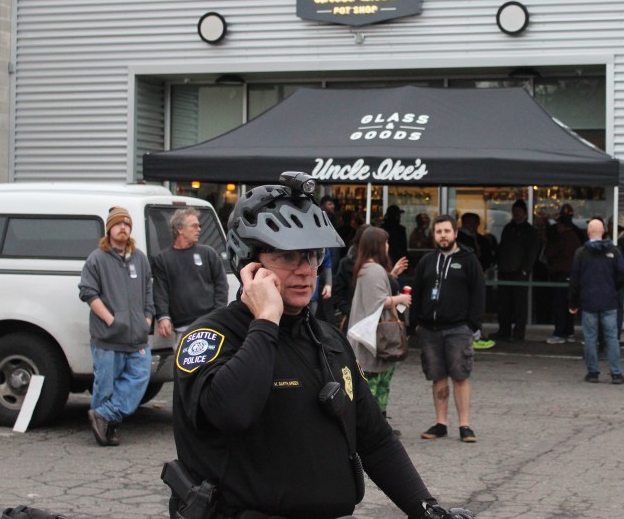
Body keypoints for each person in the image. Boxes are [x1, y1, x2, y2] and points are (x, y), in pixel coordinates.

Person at [168, 173, 474, 519]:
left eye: (311, 256)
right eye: (288, 257)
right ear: (250, 263)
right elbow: (231, 411)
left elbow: (374, 438)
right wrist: (267, 318)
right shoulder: (211, 337)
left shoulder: (328, 340)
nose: (304, 271)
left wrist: (426, 509)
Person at [78, 206, 154, 446]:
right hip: (108, 337)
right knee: (105, 386)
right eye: (118, 224)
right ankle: (106, 429)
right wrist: (112, 320)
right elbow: (88, 293)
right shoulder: (97, 259)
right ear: (109, 228)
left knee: (140, 377)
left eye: (127, 224)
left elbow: (148, 290)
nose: (123, 228)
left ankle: (105, 415)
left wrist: (148, 318)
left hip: (137, 338)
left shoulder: (139, 258)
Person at [409, 214, 485, 444]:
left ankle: (465, 425)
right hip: (429, 330)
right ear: (434, 235)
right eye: (438, 232)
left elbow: (479, 293)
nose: (443, 236)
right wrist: (415, 325)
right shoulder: (427, 261)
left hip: (458, 329)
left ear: (455, 233)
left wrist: (472, 324)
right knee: (437, 376)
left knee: (460, 376)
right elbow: (417, 290)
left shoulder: (469, 259)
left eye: (446, 231)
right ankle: (441, 423)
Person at [347, 227, 412, 419]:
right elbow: (378, 302)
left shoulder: (367, 268)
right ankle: (375, 424)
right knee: (375, 385)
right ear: (377, 245)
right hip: (374, 339)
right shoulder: (373, 270)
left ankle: (378, 422)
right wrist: (400, 299)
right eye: (385, 242)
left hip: (371, 337)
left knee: (376, 383)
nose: (388, 246)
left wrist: (392, 276)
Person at [151, 207, 228, 350]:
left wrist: (218, 315)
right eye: (194, 225)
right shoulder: (164, 259)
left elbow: (221, 285)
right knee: (187, 370)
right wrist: (163, 317)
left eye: (199, 225)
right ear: (180, 229)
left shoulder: (208, 253)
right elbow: (160, 291)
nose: (199, 229)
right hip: (182, 329)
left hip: (210, 325)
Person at [568, 218, 624, 384]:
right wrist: (614, 290)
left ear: (588, 233)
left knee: (590, 338)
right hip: (609, 301)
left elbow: (574, 280)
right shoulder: (614, 251)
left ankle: (593, 372)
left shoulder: (581, 253)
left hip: (588, 302)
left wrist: (573, 303)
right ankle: (616, 373)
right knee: (611, 338)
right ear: (603, 232)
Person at [493, 199, 540, 342]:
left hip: (519, 272)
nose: (516, 215)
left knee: (519, 303)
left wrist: (525, 269)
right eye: (514, 212)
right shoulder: (508, 228)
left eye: (519, 212)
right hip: (505, 270)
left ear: (525, 213)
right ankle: (504, 330)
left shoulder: (530, 231)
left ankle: (518, 332)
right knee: (504, 302)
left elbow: (532, 252)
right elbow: (502, 247)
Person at [544, 203, 585, 344]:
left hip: (562, 274)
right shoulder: (575, 237)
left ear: (563, 225)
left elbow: (550, 252)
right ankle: (569, 332)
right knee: (569, 306)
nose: (557, 227)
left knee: (559, 304)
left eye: (558, 225)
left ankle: (559, 333)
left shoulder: (563, 237)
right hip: (572, 275)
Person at [457, 212, 496, 350]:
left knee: (477, 305)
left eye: (475, 223)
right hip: (464, 278)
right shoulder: (459, 240)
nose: (472, 226)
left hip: (479, 276)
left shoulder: (481, 239)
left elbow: (488, 257)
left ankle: (475, 332)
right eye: (469, 223)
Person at [331, 223, 371, 331]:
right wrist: (349, 312)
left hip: (374, 320)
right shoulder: (346, 263)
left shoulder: (379, 263)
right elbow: (338, 292)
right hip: (353, 320)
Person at [607, 213, 624, 337]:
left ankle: (615, 335)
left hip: (617, 284)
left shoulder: (623, 244)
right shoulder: (613, 241)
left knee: (617, 309)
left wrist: (618, 282)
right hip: (611, 282)